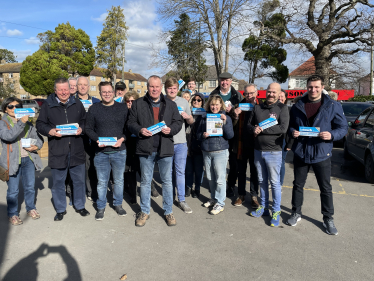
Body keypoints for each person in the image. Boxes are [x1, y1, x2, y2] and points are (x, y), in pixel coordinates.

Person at [287, 75, 347, 235]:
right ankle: (296, 212)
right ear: (306, 87)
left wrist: (332, 135)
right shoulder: (297, 105)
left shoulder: (333, 105)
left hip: (322, 152)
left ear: (322, 87)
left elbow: (343, 128)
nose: (313, 90)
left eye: (316, 87)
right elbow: (291, 126)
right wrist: (293, 132)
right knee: (298, 185)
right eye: (310, 87)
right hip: (301, 151)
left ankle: (328, 218)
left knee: (325, 187)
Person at [127, 75, 183, 227]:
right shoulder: (138, 104)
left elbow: (179, 122)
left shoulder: (170, 104)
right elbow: (130, 123)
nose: (154, 89)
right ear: (147, 87)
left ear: (161, 87)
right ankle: (144, 211)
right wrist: (139, 130)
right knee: (145, 182)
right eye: (152, 86)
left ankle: (168, 211)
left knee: (167, 182)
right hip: (146, 148)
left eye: (157, 86)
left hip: (165, 148)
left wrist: (171, 129)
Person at [36, 78, 90, 221]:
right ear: (55, 91)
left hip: (77, 149)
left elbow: (85, 120)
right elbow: (40, 124)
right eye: (60, 90)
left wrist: (82, 128)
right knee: (58, 182)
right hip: (58, 150)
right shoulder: (48, 105)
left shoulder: (77, 103)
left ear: (70, 89)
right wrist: (50, 131)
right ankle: (60, 209)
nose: (64, 92)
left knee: (78, 181)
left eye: (66, 89)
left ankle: (80, 206)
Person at [85, 81, 128, 220]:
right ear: (100, 93)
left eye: (109, 91)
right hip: (101, 152)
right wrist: (97, 139)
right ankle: (101, 207)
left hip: (119, 151)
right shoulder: (94, 109)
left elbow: (128, 128)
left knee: (119, 181)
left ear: (114, 92)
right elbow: (88, 129)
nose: (107, 94)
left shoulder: (122, 108)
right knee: (102, 182)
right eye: (104, 92)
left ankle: (118, 204)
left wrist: (122, 139)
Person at [248, 83, 289, 227]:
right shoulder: (258, 107)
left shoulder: (282, 108)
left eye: (274, 92)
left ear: (279, 94)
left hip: (274, 151)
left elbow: (283, 128)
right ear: (265, 92)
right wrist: (253, 129)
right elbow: (249, 124)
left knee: (274, 183)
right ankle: (264, 207)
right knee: (261, 181)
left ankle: (276, 211)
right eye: (269, 92)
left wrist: (262, 130)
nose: (271, 94)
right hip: (258, 150)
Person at [0, 97, 44, 225]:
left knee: (30, 187)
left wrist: (37, 146)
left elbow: (38, 139)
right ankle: (12, 213)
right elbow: (8, 136)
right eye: (10, 106)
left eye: (17, 106)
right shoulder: (3, 123)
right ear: (5, 109)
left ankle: (30, 208)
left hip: (28, 159)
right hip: (12, 161)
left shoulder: (28, 123)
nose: (14, 109)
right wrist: (21, 123)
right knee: (13, 190)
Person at [197, 95, 234, 215]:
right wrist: (203, 135)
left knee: (220, 179)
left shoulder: (226, 117)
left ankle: (220, 203)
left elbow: (230, 135)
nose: (214, 107)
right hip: (206, 151)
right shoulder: (204, 117)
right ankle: (213, 198)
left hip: (220, 151)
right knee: (210, 178)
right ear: (209, 105)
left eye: (217, 104)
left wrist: (224, 122)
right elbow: (197, 135)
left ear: (221, 105)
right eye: (212, 104)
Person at [210, 72, 243, 198]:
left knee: (233, 162)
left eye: (227, 80)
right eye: (222, 80)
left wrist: (234, 112)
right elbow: (209, 109)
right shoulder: (214, 94)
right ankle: (218, 185)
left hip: (233, 132)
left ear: (230, 81)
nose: (224, 83)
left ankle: (230, 186)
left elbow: (242, 114)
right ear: (219, 81)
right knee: (217, 162)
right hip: (217, 132)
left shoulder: (237, 96)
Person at [164, 77, 194, 214]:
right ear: (166, 89)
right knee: (168, 174)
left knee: (180, 172)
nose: (172, 90)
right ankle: (170, 199)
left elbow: (191, 120)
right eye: (169, 88)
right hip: (166, 142)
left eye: (174, 88)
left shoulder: (183, 101)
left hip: (181, 142)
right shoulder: (161, 101)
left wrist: (187, 117)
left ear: (178, 89)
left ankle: (182, 200)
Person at [230, 84, 261, 208]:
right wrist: (235, 115)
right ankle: (241, 195)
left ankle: (254, 196)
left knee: (254, 172)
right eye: (246, 93)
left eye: (251, 93)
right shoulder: (239, 106)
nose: (249, 96)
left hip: (255, 144)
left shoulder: (261, 106)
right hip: (241, 143)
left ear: (256, 93)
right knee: (241, 171)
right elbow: (232, 125)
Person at [75, 76, 97, 201]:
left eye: (85, 85)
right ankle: (81, 192)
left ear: (89, 87)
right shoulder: (72, 101)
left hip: (94, 140)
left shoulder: (96, 101)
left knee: (93, 167)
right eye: (80, 84)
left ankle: (92, 191)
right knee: (80, 168)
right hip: (78, 140)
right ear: (76, 87)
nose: (82, 87)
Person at [185, 93, 205, 198]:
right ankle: (188, 187)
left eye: (199, 100)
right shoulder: (187, 112)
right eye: (194, 100)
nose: (196, 102)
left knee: (198, 169)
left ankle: (197, 188)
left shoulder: (205, 115)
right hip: (188, 144)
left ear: (202, 102)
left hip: (200, 145)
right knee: (188, 169)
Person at [123, 91, 140, 205]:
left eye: (132, 101)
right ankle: (132, 196)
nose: (130, 103)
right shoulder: (123, 113)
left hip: (139, 144)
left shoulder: (140, 113)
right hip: (127, 145)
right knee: (130, 172)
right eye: (127, 101)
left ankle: (150, 190)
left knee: (142, 171)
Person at [279, 89, 292, 187]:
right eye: (278, 96)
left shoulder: (289, 110)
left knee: (281, 162)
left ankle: (279, 184)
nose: (280, 98)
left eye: (282, 96)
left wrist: (290, 143)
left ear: (285, 98)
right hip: (272, 141)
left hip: (284, 140)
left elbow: (292, 127)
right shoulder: (270, 109)